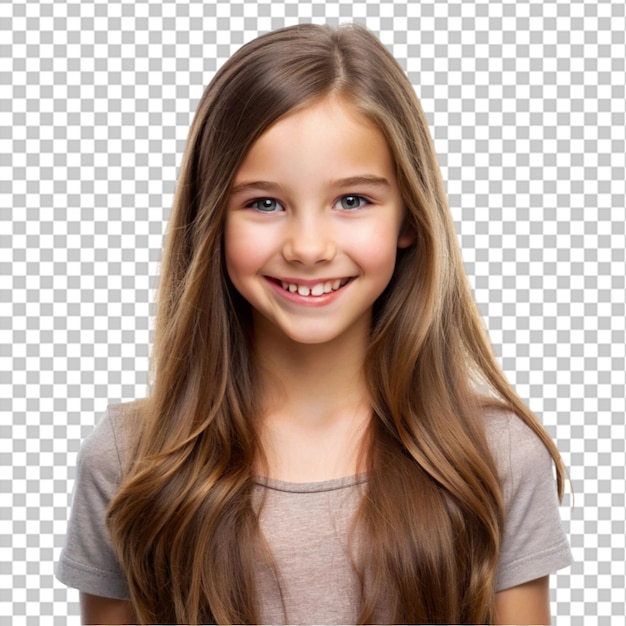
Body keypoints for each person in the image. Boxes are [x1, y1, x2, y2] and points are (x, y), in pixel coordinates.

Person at [55, 23, 572, 625]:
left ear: (410, 218)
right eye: (263, 203)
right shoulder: (129, 459)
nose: (307, 247)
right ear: (212, 220)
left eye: (352, 200)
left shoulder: (497, 458)